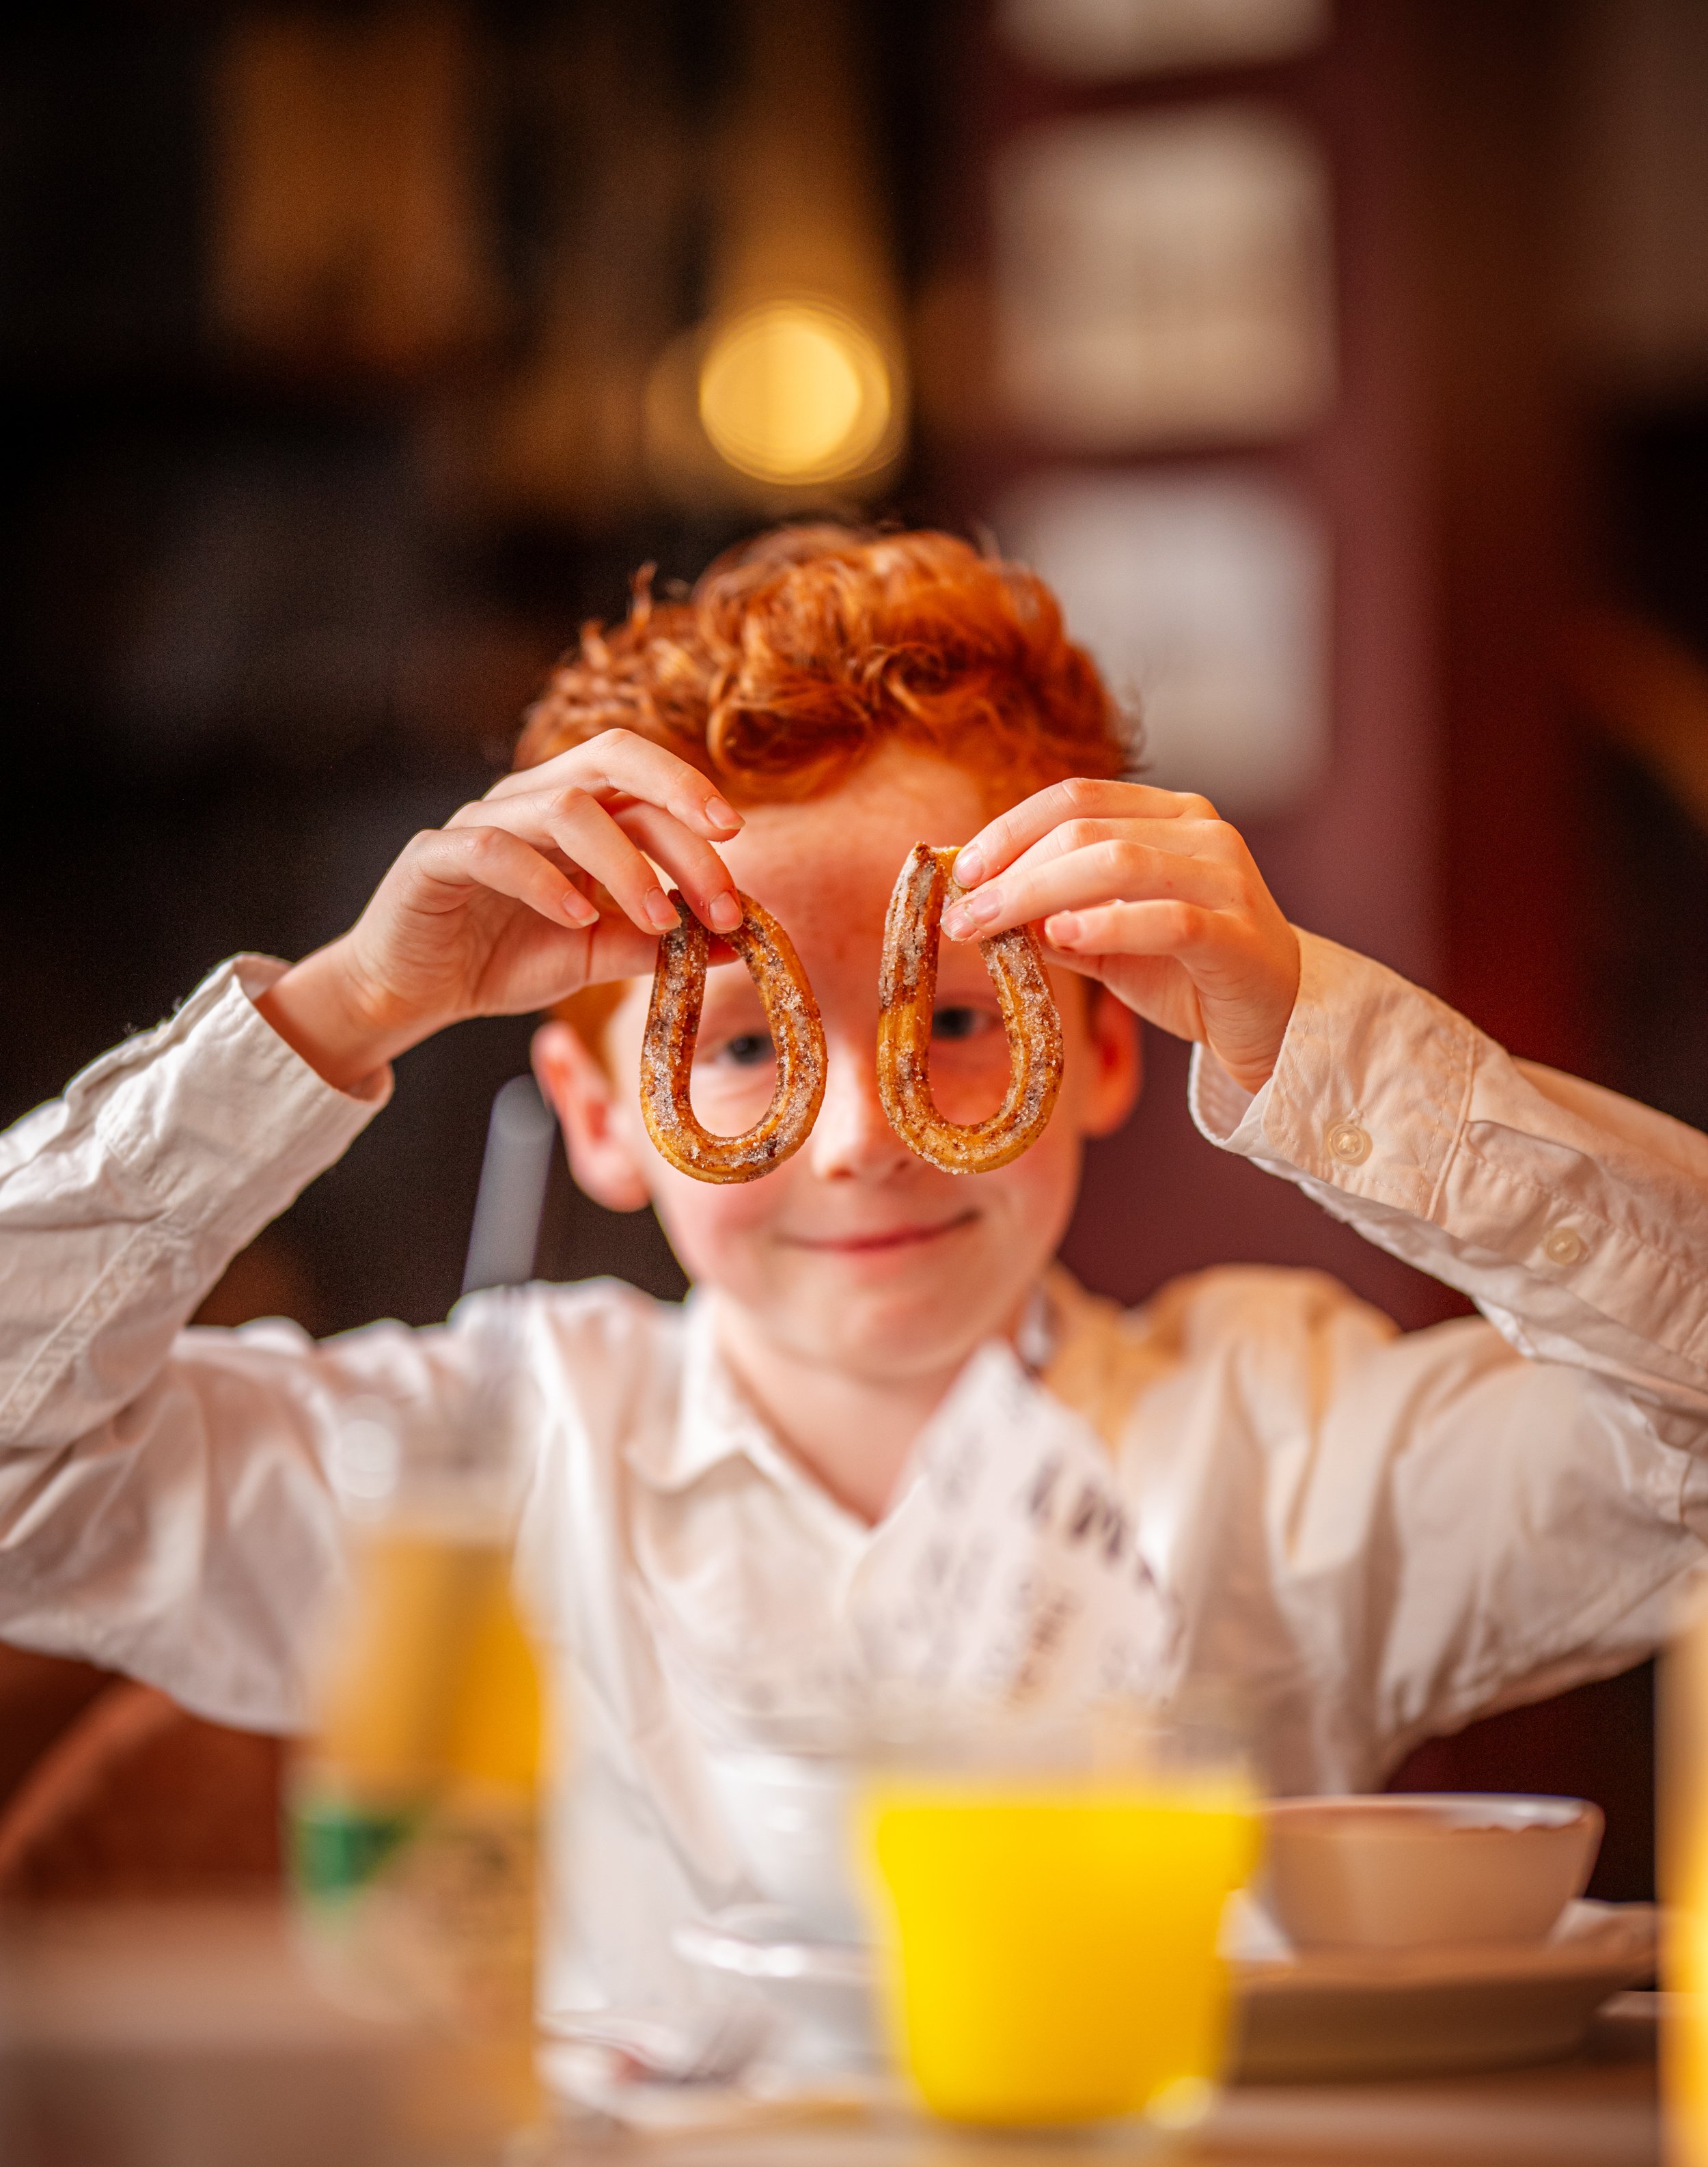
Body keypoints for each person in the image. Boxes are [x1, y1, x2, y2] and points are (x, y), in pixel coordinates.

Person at [1, 523, 1705, 2068]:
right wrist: (341, 1010)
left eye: (958, 1019)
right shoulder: (474, 1462)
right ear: (605, 1117)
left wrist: (1318, 1040)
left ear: (1103, 1042)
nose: (861, 1138)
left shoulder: (1286, 1439)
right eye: (745, 1043)